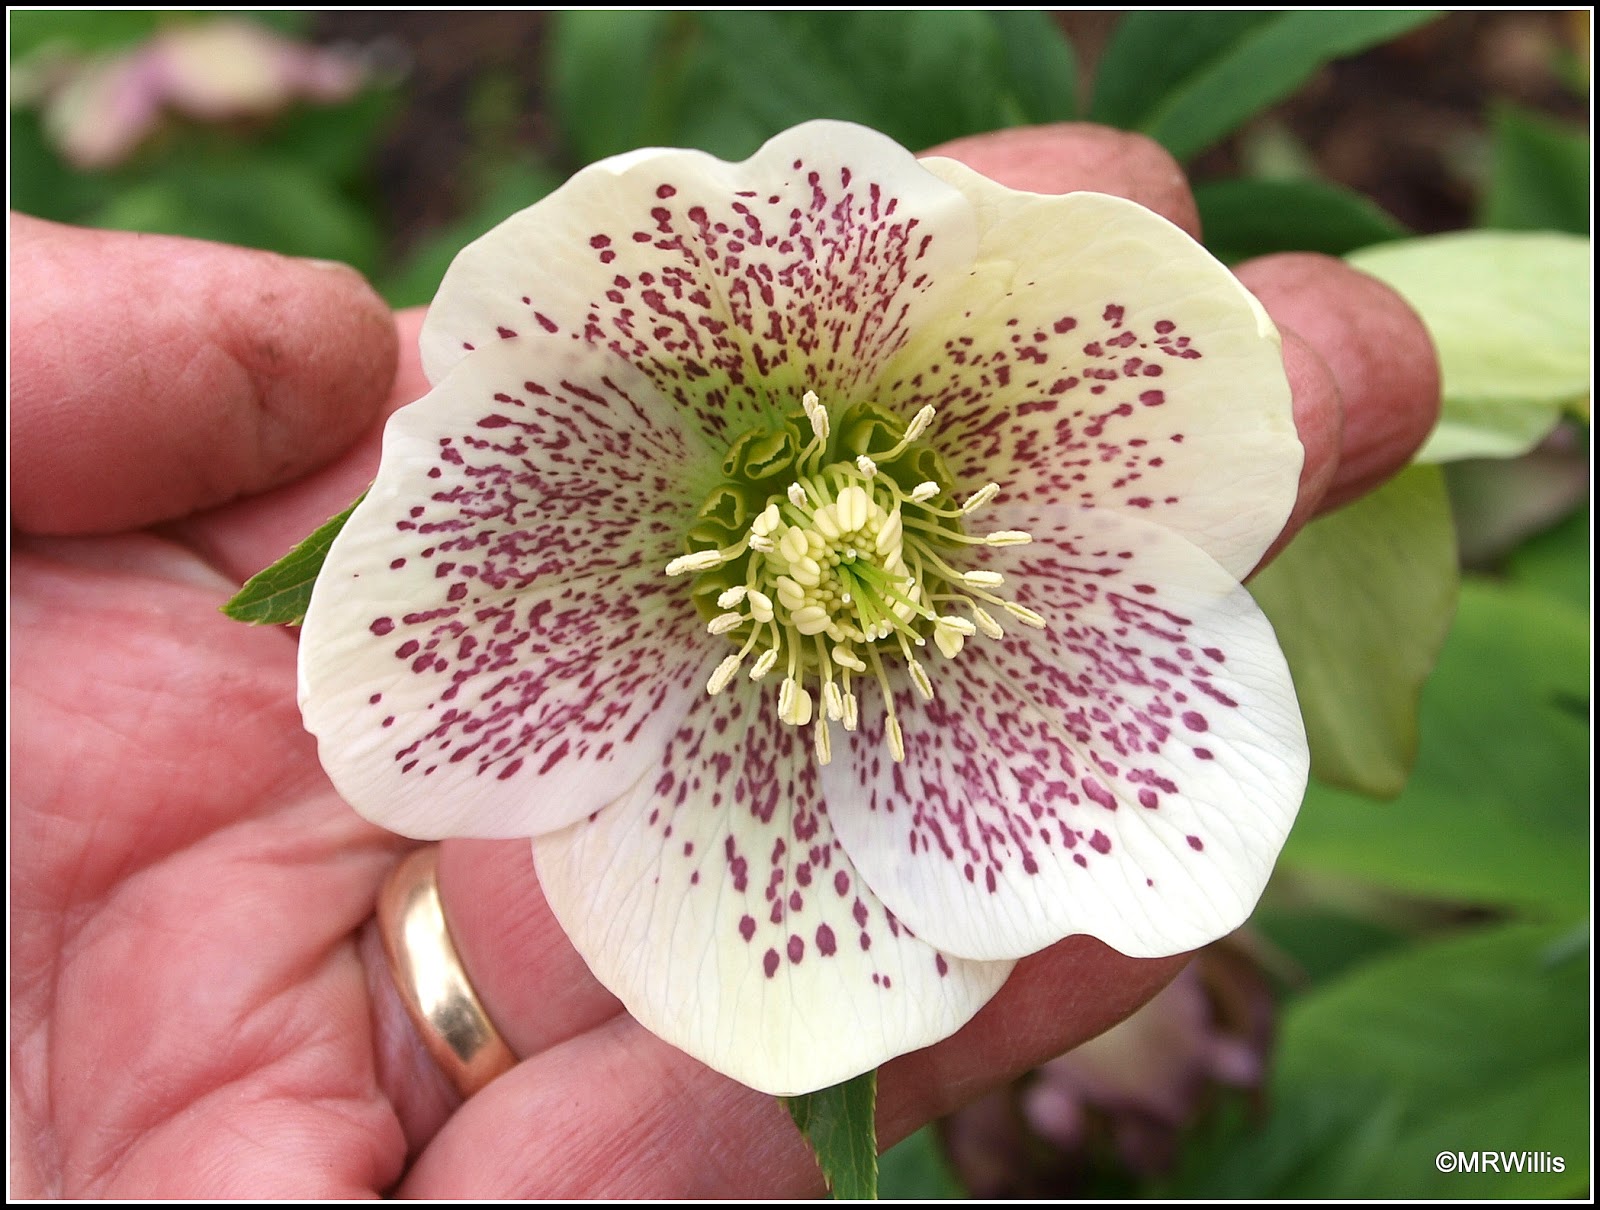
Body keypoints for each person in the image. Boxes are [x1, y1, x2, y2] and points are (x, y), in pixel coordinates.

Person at [10, 124, 1439, 1198]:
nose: (851, 563)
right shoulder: (643, 304)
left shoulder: (1113, 349)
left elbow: (1186, 347)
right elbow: (412, 648)